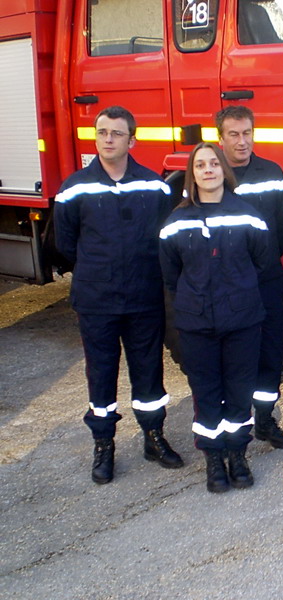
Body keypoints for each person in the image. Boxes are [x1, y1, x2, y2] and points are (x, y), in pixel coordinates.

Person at [55, 106, 183, 485]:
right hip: (97, 300)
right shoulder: (75, 187)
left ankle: (153, 436)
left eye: (116, 133)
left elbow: (163, 236)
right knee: (101, 374)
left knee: (149, 372)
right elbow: (66, 244)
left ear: (132, 139)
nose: (107, 139)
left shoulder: (154, 186)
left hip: (144, 298)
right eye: (102, 132)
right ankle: (104, 444)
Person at [160, 143, 275, 493]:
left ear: (224, 170)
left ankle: (238, 455)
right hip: (197, 325)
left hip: (241, 321)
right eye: (200, 165)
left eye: (213, 163)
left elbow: (262, 260)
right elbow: (170, 275)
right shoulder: (176, 222)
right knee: (206, 393)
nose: (207, 169)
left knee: (239, 390)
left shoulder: (248, 214)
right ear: (191, 175)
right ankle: (213, 457)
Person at [215, 105, 283, 450]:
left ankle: (265, 419)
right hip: (226, 287)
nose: (241, 141)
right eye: (233, 134)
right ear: (220, 138)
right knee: (232, 357)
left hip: (267, 281)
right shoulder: (210, 173)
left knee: (270, 352)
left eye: (246, 133)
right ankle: (236, 426)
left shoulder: (272, 172)